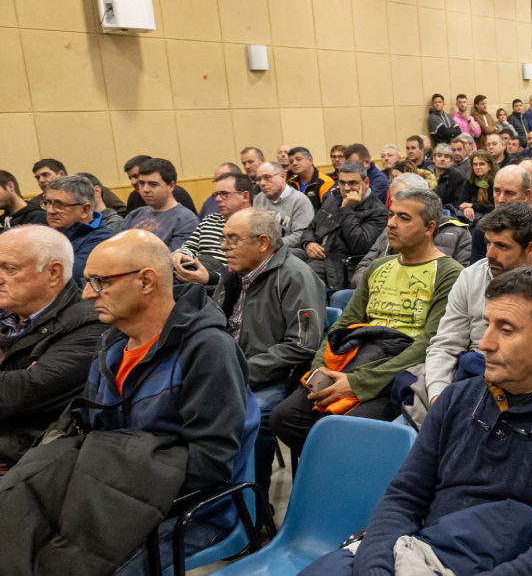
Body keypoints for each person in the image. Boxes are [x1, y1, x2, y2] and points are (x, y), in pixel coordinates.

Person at [299, 266, 532, 576]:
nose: (485, 343)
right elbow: (404, 497)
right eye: (488, 324)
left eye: (506, 329)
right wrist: (376, 566)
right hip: (418, 551)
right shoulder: (458, 400)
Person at [80, 230, 257, 574]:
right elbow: (86, 426)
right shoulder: (112, 345)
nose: (88, 294)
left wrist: (116, 488)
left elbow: (210, 465)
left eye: (99, 282)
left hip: (192, 511)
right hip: (117, 493)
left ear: (146, 281)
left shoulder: (207, 349)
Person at [271, 188, 463, 455]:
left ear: (430, 227)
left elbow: (427, 344)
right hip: (355, 358)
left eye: (404, 218)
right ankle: (332, 474)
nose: (392, 223)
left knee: (345, 429)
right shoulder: (378, 267)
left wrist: (357, 384)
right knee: (285, 417)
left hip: (400, 372)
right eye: (391, 214)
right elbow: (342, 325)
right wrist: (321, 369)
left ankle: (353, 481)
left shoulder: (450, 273)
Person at [211, 208, 325, 491]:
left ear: (262, 243)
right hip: (230, 369)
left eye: (233, 239)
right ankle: (214, 498)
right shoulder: (233, 277)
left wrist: (241, 372)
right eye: (225, 238)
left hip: (274, 377)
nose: (224, 246)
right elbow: (211, 326)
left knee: (250, 417)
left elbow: (302, 344)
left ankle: (254, 507)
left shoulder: (295, 276)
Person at [425, 202, 532, 401]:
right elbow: (446, 346)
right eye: (488, 242)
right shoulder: (470, 277)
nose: (489, 253)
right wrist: (438, 395)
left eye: (502, 246)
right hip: (470, 380)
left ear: (531, 248)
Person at [0, 225, 106, 470]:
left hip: (28, 462)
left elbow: (22, 393)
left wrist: (19, 381)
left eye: (9, 268)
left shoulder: (90, 324)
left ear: (54, 273)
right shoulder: (8, 313)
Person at [348, 175, 471, 294]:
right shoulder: (389, 231)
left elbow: (460, 286)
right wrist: (386, 289)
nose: (392, 222)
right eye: (394, 203)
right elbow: (359, 274)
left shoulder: (457, 234)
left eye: (403, 216)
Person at [299, 160, 389, 291]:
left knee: (301, 275)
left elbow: (359, 245)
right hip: (318, 253)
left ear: (366, 183)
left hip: (340, 263)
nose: (346, 188)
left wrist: (347, 209)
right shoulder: (333, 199)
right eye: (342, 182)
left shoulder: (377, 211)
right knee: (282, 259)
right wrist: (308, 243)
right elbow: (311, 227)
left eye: (352, 183)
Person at [171, 172, 254, 287]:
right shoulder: (210, 219)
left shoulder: (256, 224)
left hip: (224, 282)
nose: (218, 199)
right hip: (196, 269)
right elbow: (190, 246)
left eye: (224, 194)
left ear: (244, 196)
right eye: (217, 194)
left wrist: (210, 278)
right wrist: (180, 254)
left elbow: (250, 270)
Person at [467, 165, 532, 263]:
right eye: (497, 191)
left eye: (509, 193)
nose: (500, 199)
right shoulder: (482, 228)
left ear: (526, 195)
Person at [44, 175, 115, 285]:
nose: (50, 210)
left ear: (84, 210)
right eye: (48, 203)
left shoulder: (102, 240)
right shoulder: (49, 233)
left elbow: (66, 277)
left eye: (60, 205)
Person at [121, 158, 198, 252]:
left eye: (153, 184)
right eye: (141, 183)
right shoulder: (134, 215)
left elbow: (169, 260)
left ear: (171, 186)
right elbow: (118, 249)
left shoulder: (186, 219)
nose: (145, 189)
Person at [251, 162, 314, 249]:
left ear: (283, 177)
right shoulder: (259, 199)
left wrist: (269, 245)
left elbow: (300, 237)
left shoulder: (299, 200)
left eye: (267, 177)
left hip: (291, 251)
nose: (262, 183)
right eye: (259, 179)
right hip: (265, 249)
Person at [122, 156, 196, 215]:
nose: (132, 182)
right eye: (130, 178)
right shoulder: (133, 197)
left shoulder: (177, 194)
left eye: (136, 176)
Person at [286, 147, 335, 212]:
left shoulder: (325, 182)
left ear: (310, 161)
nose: (294, 163)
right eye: (291, 162)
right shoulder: (290, 183)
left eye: (298, 159)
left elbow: (327, 212)